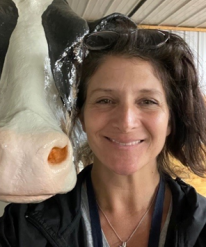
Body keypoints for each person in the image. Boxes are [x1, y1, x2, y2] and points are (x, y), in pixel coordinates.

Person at [0, 14, 206, 247]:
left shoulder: (201, 228)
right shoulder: (23, 228)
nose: (126, 122)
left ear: (170, 120)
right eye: (105, 100)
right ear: (82, 117)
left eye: (147, 101)